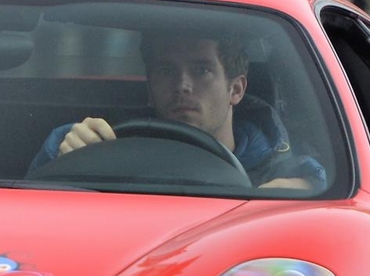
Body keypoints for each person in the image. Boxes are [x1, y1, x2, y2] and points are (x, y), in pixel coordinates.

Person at [33, 30, 323, 190]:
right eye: (165, 70)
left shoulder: (277, 167)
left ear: (236, 89)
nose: (182, 85)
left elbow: (330, 191)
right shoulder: (103, 146)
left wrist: (308, 189)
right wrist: (65, 152)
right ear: (150, 87)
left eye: (202, 70)